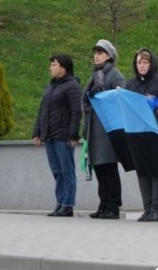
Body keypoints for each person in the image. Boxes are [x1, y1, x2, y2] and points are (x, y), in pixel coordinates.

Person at [123, 48, 158, 222]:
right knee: (142, 171)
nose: (142, 65)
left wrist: (155, 103)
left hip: (155, 134)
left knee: (157, 171)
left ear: (152, 64)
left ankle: (156, 210)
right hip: (136, 133)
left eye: (145, 62)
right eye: (139, 62)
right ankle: (146, 209)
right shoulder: (129, 84)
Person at [32, 54, 82, 217]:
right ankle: (60, 201)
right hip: (50, 136)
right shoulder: (51, 86)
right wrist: (37, 133)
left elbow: (76, 111)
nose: (50, 67)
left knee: (67, 170)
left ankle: (68, 204)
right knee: (57, 170)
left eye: (54, 64)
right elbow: (42, 111)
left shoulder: (72, 86)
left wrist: (73, 134)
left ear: (63, 68)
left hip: (64, 136)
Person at [85, 39, 126, 219]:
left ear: (109, 56)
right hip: (94, 128)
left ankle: (113, 205)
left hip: (108, 129)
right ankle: (103, 203)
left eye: (100, 53)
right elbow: (85, 98)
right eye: (95, 53)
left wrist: (100, 95)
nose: (96, 56)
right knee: (100, 168)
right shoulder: (95, 75)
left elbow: (119, 98)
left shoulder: (114, 75)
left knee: (109, 167)